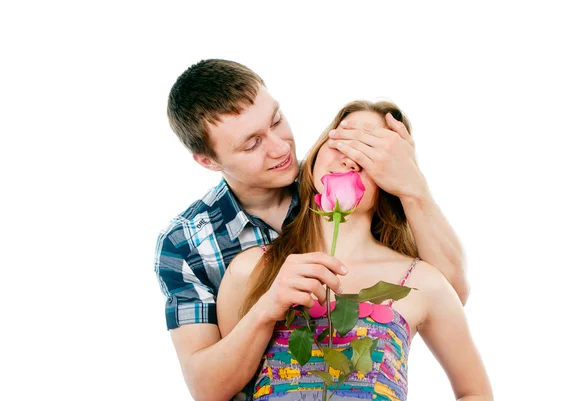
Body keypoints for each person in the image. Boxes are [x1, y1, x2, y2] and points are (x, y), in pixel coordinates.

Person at [154, 59, 469, 400]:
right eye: (252, 144)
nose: (280, 148)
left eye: (276, 121)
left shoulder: (337, 185)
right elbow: (207, 388)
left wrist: (412, 185)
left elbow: (446, 296)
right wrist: (267, 306)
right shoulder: (186, 244)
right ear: (209, 161)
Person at [217, 101, 492, 400]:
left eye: (373, 151)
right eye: (345, 141)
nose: (352, 159)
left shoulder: (422, 283)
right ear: (315, 156)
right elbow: (223, 392)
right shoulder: (250, 270)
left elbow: (475, 392)